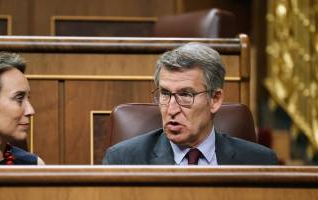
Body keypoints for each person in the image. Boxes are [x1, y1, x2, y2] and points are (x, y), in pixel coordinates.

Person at [103, 43, 278, 165]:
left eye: (185, 95)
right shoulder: (124, 160)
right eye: (165, 94)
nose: (171, 109)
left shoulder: (259, 162)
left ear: (215, 100)